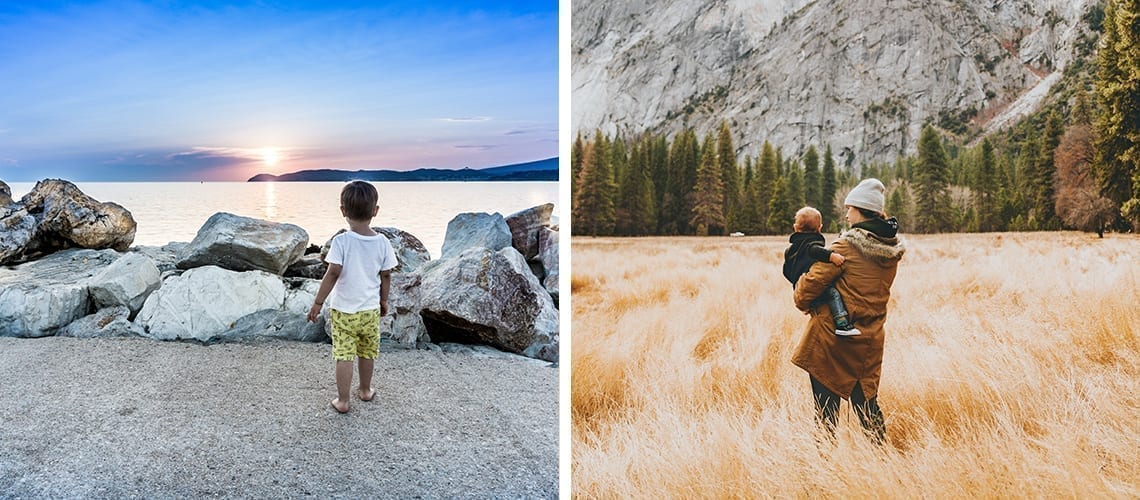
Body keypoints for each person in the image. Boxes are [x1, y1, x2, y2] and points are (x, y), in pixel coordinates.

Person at [790, 178, 905, 443]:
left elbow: (805, 291)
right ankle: (882, 465)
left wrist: (802, 293)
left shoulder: (845, 247)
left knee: (825, 416)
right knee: (868, 410)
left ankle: (824, 474)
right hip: (869, 342)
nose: (846, 214)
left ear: (861, 210)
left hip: (832, 343)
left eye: (849, 208)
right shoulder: (890, 250)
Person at [307, 180, 399, 414]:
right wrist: (384, 300)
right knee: (367, 351)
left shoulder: (341, 241)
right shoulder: (382, 243)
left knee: (344, 354)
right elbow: (386, 275)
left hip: (344, 311)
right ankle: (366, 390)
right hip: (369, 310)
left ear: (343, 211)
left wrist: (318, 303)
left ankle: (343, 401)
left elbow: (333, 273)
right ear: (375, 211)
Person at [782, 206, 860, 336]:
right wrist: (832, 256)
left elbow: (785, 270)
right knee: (833, 294)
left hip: (798, 286)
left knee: (819, 304)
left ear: (795, 228)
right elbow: (815, 250)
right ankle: (842, 323)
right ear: (820, 228)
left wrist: (796, 280)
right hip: (811, 284)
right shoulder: (811, 243)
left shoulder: (790, 250)